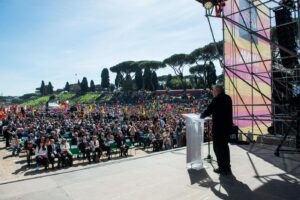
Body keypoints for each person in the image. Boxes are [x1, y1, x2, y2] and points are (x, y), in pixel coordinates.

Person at [201, 85, 233, 175]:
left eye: (213, 90)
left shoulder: (217, 99)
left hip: (219, 129)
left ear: (218, 90)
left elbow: (208, 110)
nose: (212, 92)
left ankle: (222, 168)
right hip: (227, 128)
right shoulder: (228, 98)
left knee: (218, 149)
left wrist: (201, 116)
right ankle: (227, 167)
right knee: (225, 148)